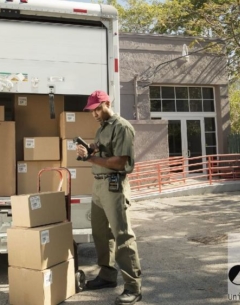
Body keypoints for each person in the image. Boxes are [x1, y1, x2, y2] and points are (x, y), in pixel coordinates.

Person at [76, 90, 142, 305]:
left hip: (114, 186)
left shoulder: (122, 127)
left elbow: (121, 162)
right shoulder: (103, 128)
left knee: (122, 236)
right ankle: (107, 276)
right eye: (91, 110)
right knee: (101, 234)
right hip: (99, 186)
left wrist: (91, 158)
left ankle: (133, 287)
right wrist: (91, 148)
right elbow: (104, 152)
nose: (93, 113)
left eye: (96, 108)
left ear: (106, 103)